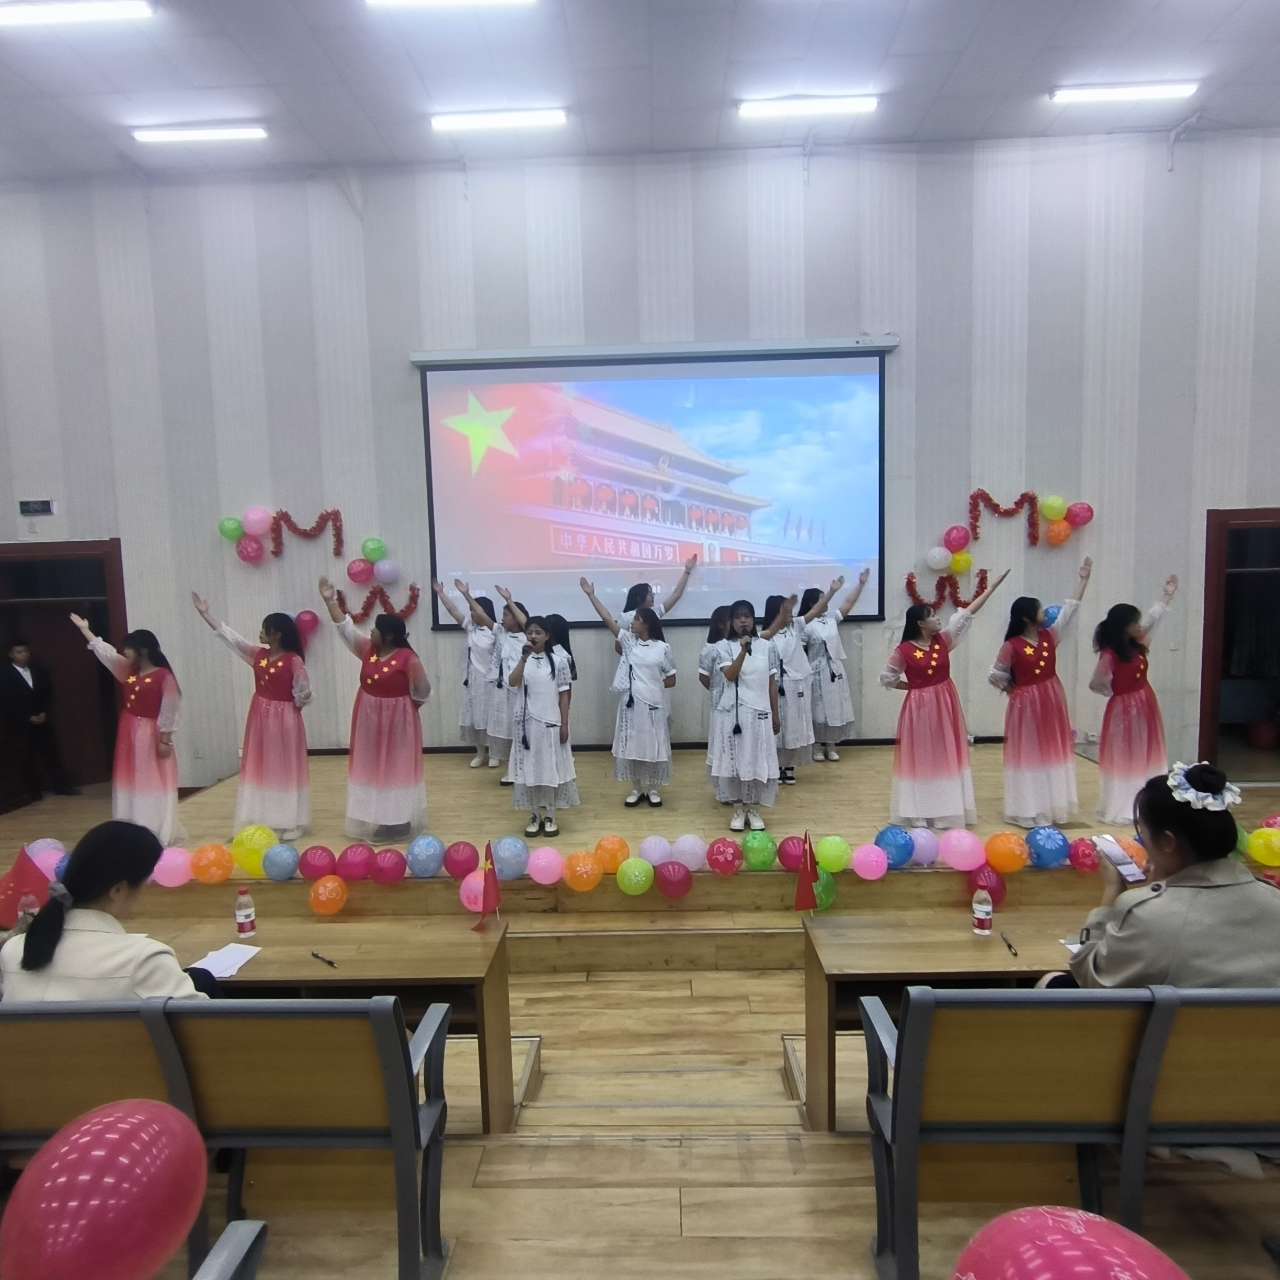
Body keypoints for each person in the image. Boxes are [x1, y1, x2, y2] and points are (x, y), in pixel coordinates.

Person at [1070, 763, 1280, 988]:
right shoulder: (1273, 898)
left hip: (1180, 1013)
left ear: (1167, 842)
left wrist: (1112, 895)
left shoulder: (1147, 916)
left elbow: (1091, 979)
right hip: (1261, 1013)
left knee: (1054, 983)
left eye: (1143, 834)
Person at [1, 821, 208, 1001]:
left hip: (33, 1038)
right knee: (202, 979)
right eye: (144, 882)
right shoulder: (144, 959)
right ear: (117, 890)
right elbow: (206, 1025)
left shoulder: (14, 950)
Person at [882, 570, 1009, 829]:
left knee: (944, 753)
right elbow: (887, 678)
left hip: (945, 703)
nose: (938, 619)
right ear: (920, 624)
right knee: (922, 755)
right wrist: (912, 687)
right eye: (932, 616)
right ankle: (918, 811)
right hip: (919, 708)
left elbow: (967, 613)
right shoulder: (904, 651)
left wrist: (992, 588)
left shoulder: (943, 640)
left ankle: (944, 809)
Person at [191, 595, 312, 840]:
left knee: (284, 767)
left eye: (264, 629)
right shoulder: (258, 655)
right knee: (261, 764)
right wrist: (206, 615)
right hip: (259, 718)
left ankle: (290, 820)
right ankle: (263, 816)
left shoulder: (294, 661)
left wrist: (288, 709)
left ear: (277, 634)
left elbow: (302, 692)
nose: (260, 633)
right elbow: (232, 639)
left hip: (285, 719)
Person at [319, 577, 430, 840]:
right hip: (367, 719)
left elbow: (423, 691)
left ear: (388, 635)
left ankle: (398, 820)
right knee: (370, 764)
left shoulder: (408, 659)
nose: (370, 632)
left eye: (375, 629)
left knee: (395, 767)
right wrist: (330, 601)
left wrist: (402, 710)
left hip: (399, 721)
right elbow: (345, 629)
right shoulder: (368, 650)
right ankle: (376, 814)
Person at [988, 557, 1092, 827]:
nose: (1046, 612)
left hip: (1052, 699)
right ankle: (1028, 808)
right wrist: (1013, 690)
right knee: (1029, 751)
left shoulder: (1050, 636)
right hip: (1026, 703)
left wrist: (1083, 580)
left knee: (1051, 748)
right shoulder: (1012, 645)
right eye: (1040, 609)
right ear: (1026, 617)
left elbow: (1070, 611)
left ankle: (1052, 804)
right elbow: (996, 674)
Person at [69, 613, 182, 845]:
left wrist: (165, 739)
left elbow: (170, 708)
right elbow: (106, 654)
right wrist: (85, 630)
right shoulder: (128, 670)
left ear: (143, 650)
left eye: (129, 648)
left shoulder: (164, 676)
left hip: (150, 733)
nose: (125, 652)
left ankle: (152, 825)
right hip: (128, 731)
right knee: (130, 775)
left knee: (148, 776)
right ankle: (130, 823)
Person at [581, 577, 676, 807]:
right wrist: (591, 595)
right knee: (633, 744)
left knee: (653, 745)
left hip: (653, 704)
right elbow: (607, 619)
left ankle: (653, 788)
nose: (632, 622)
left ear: (647, 624)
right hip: (631, 704)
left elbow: (671, 679)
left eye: (637, 619)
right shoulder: (629, 642)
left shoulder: (663, 648)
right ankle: (637, 787)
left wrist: (651, 688)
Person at [1090, 576, 1179, 824]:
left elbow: (1152, 620)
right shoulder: (1110, 654)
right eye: (1134, 623)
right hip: (1124, 708)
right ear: (1124, 627)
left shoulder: (1137, 643)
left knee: (1145, 751)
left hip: (1145, 704)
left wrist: (1167, 596)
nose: (1140, 626)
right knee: (1125, 754)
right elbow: (1096, 683)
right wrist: (1118, 692)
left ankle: (1149, 803)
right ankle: (1124, 806)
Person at [710, 599, 780, 832]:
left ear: (753, 620)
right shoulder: (722, 646)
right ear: (731, 621)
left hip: (760, 712)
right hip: (734, 714)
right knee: (737, 761)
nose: (743, 621)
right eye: (738, 617)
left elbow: (772, 683)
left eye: (747, 616)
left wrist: (776, 714)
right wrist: (742, 650)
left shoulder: (767, 646)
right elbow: (730, 675)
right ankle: (739, 808)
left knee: (757, 760)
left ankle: (754, 808)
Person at [508, 616, 579, 837]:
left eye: (538, 632)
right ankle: (534, 814)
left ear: (547, 636)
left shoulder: (559, 661)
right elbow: (512, 681)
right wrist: (523, 659)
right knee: (530, 769)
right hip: (527, 724)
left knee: (549, 770)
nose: (533, 636)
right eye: (530, 632)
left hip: (550, 723)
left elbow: (564, 695)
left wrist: (564, 724)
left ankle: (550, 814)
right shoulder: (522, 659)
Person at [802, 569, 870, 761]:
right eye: (822, 599)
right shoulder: (805, 624)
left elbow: (848, 603)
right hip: (815, 671)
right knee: (817, 708)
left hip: (834, 669)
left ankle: (831, 745)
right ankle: (816, 746)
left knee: (834, 707)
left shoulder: (831, 619)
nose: (826, 602)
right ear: (812, 604)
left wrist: (861, 584)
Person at [1, 637, 76, 805]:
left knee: (51, 754)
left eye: (26, 651)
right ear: (11, 654)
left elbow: (47, 693)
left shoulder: (38, 670)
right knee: (26, 758)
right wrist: (27, 716)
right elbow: (6, 701)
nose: (24, 655)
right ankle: (33, 792)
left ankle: (62, 787)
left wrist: (43, 712)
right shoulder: (4, 674)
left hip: (42, 720)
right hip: (20, 724)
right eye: (19, 652)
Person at [432, 579, 497, 768]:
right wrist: (441, 594)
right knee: (473, 717)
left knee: (491, 718)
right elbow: (453, 611)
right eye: (470, 611)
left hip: (490, 681)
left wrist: (465, 593)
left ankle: (495, 753)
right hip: (472, 680)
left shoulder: (495, 631)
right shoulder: (471, 627)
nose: (471, 614)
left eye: (474, 610)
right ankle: (480, 753)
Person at [698, 605, 732, 769]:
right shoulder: (710, 649)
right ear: (720, 624)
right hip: (719, 701)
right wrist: (717, 691)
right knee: (721, 737)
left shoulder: (740, 645)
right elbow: (704, 677)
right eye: (732, 619)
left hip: (741, 701)